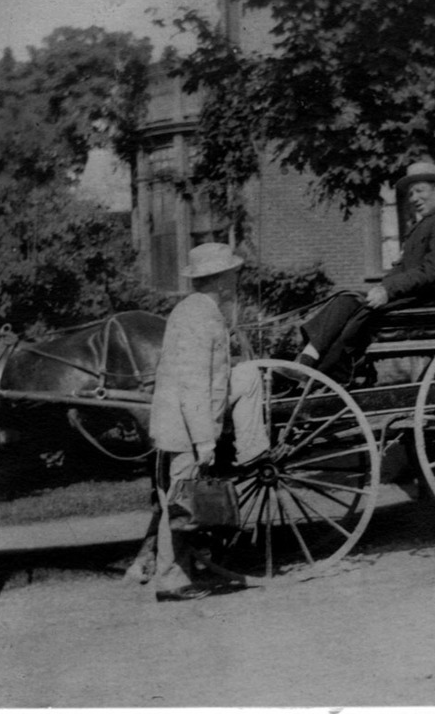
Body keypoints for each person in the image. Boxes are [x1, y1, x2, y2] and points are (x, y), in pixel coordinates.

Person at [149, 242, 269, 602]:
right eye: (232, 275)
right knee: (182, 501)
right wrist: (204, 440)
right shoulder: (200, 316)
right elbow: (194, 384)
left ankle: (182, 572)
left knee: (247, 374)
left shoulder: (199, 310)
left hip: (184, 418)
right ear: (219, 280)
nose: (235, 281)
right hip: (184, 425)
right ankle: (170, 580)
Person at [290, 160, 435, 383]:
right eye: (411, 192)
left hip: (428, 300)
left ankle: (319, 375)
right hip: (416, 295)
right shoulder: (430, 221)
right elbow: (406, 268)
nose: (414, 198)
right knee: (347, 300)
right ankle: (308, 361)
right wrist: (382, 287)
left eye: (420, 190)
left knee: (356, 318)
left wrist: (388, 289)